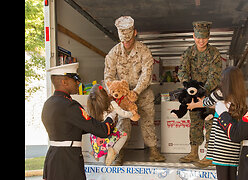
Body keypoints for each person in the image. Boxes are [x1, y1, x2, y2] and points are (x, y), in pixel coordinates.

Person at [104, 16, 165, 165]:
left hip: (142, 93)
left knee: (148, 122)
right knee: (122, 124)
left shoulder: (144, 51)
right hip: (121, 95)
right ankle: (119, 152)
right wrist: (114, 93)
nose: (126, 43)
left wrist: (136, 92)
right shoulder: (113, 53)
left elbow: (146, 73)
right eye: (123, 41)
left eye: (129, 40)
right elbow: (108, 76)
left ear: (135, 33)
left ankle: (153, 151)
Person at [42, 63, 118, 180]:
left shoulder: (49, 103)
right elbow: (103, 131)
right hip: (68, 160)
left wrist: (95, 123)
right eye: (75, 79)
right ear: (64, 82)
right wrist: (111, 116)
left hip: (53, 157)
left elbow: (71, 129)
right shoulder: (70, 105)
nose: (78, 83)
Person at [187, 66, 247, 179]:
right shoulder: (239, 98)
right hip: (234, 146)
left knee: (222, 176)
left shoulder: (220, 93)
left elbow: (207, 102)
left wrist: (194, 105)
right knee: (232, 176)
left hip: (221, 145)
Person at [177, 21, 222, 166]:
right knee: (195, 122)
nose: (201, 41)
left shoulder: (214, 53)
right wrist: (189, 88)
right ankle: (193, 153)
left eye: (204, 38)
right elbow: (182, 71)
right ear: (193, 36)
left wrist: (203, 92)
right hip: (193, 93)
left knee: (210, 123)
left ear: (208, 37)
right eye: (198, 37)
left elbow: (214, 75)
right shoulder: (188, 53)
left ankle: (210, 156)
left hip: (210, 94)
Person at [87, 84, 134, 166]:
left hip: (95, 139)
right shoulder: (112, 104)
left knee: (96, 135)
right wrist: (131, 114)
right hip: (107, 135)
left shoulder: (93, 107)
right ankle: (114, 151)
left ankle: (95, 153)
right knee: (123, 135)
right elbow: (123, 114)